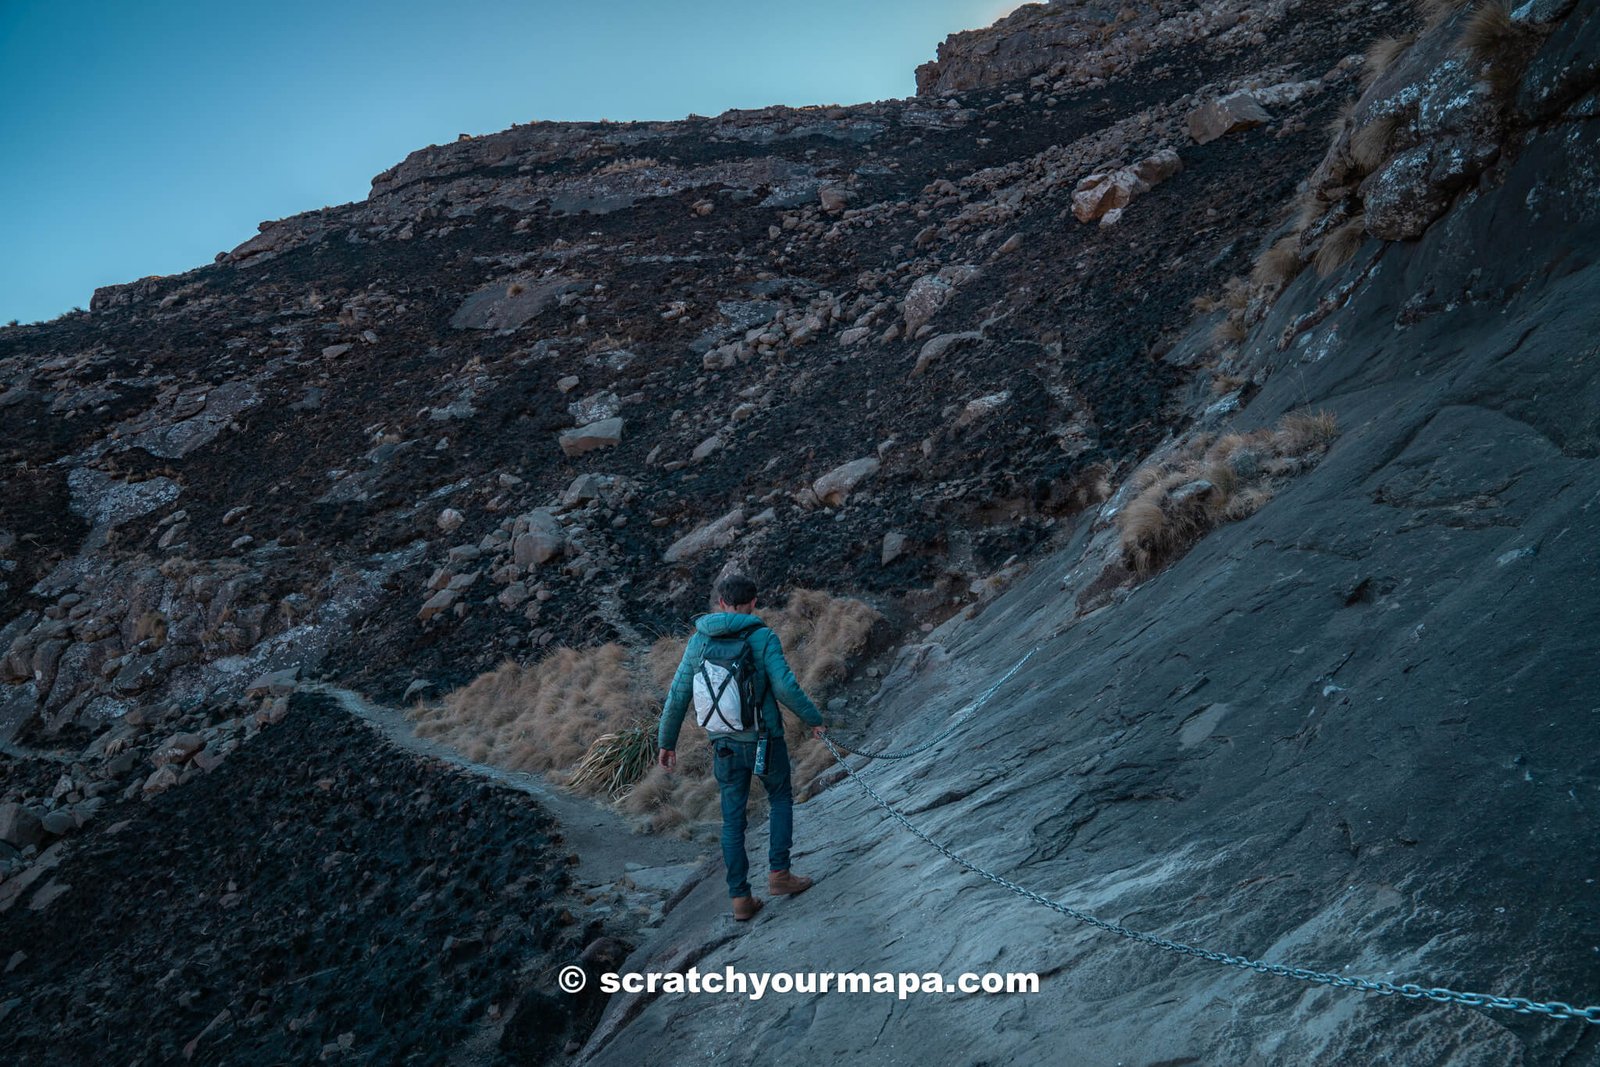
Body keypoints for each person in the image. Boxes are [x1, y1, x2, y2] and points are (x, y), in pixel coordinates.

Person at [657, 574, 826, 921]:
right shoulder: (761, 636)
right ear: (753, 603)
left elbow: (678, 695)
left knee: (732, 821)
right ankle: (779, 875)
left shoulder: (698, 641)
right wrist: (813, 719)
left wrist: (666, 742)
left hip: (724, 744)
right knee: (779, 799)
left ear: (720, 603)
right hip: (765, 739)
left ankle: (740, 900)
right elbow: (785, 686)